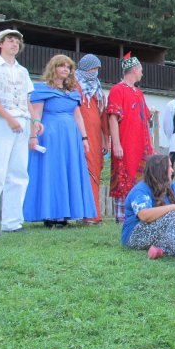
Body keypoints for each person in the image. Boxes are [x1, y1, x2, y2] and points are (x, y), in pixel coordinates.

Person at [23, 55, 97, 228]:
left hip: (71, 138)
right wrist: (33, 136)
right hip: (50, 136)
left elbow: (78, 117)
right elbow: (36, 115)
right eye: (61, 66)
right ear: (53, 68)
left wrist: (84, 138)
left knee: (69, 172)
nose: (65, 69)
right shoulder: (42, 89)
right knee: (52, 172)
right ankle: (50, 215)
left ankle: (65, 214)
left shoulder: (73, 92)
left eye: (68, 67)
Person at [0, 28, 40, 235]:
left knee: (18, 172)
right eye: (10, 40)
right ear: (0, 44)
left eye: (17, 41)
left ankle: (12, 221)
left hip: (21, 121)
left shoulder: (22, 71)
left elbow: (26, 100)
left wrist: (34, 120)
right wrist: (9, 118)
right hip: (0, 122)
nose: (14, 44)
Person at [121, 154, 175, 273]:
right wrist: (173, 207)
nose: (172, 170)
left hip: (156, 234)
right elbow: (144, 215)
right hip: (135, 235)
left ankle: (160, 250)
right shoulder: (141, 189)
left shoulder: (165, 188)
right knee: (173, 214)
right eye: (169, 167)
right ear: (160, 170)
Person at [108, 53, 153, 223]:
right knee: (124, 177)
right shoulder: (117, 90)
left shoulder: (139, 93)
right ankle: (123, 217)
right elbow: (113, 118)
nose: (142, 73)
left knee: (141, 179)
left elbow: (145, 119)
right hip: (126, 143)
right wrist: (116, 144)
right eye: (141, 70)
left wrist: (150, 145)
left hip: (141, 145)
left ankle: (139, 214)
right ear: (134, 70)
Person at [74, 54, 108, 224]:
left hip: (95, 137)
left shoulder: (98, 88)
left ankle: (92, 214)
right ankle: (79, 213)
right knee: (78, 172)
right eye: (92, 69)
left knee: (94, 171)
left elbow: (103, 116)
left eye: (97, 69)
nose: (95, 72)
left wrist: (105, 139)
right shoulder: (73, 85)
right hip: (77, 134)